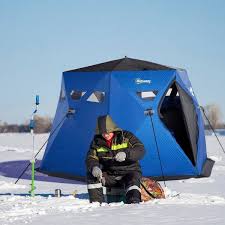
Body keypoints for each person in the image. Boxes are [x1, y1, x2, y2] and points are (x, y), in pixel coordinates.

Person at [86, 115, 145, 204]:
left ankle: (134, 202)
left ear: (113, 129)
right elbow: (91, 157)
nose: (106, 135)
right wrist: (94, 167)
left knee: (133, 179)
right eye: (103, 133)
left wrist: (126, 154)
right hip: (110, 175)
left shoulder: (126, 136)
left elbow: (140, 150)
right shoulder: (96, 142)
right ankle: (96, 203)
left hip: (129, 172)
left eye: (108, 132)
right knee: (92, 174)